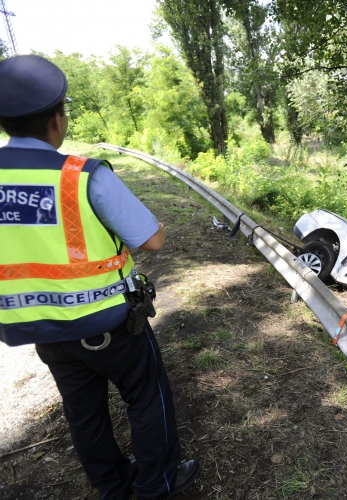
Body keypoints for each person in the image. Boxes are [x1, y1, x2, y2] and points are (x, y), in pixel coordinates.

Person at [0, 55, 198, 500]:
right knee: (146, 397)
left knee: (83, 412)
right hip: (107, 323)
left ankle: (111, 486)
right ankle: (156, 484)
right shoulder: (82, 175)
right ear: (56, 120)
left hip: (42, 328)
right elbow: (153, 240)